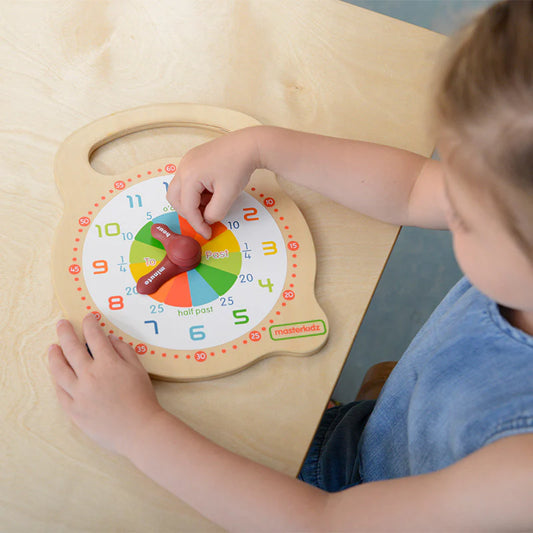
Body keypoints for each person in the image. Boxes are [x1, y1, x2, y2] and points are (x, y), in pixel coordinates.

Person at [48, 1, 533, 530]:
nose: (449, 200)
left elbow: (324, 522)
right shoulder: (515, 223)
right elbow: (417, 188)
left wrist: (137, 431)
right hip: (381, 439)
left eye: (461, 215)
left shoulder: (519, 477)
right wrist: (262, 146)